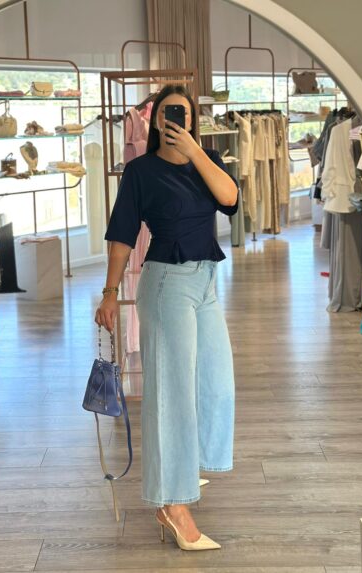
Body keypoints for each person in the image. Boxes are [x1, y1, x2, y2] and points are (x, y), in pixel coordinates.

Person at [94, 84, 238, 551]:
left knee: (216, 383)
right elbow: (122, 235)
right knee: (171, 394)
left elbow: (230, 198)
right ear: (156, 120)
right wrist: (110, 292)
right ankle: (171, 503)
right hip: (166, 284)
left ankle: (186, 468)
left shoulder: (205, 160)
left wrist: (195, 151)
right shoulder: (141, 171)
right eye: (169, 113)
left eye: (185, 113)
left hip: (206, 282)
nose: (177, 119)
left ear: (193, 121)